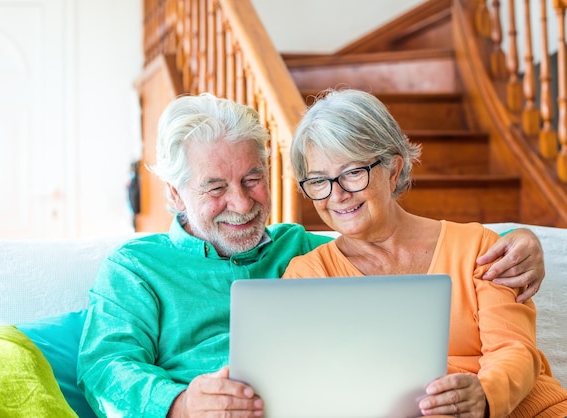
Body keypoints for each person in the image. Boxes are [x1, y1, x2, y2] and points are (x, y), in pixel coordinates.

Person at [77, 93, 547, 418]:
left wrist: (524, 239)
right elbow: (102, 368)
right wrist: (179, 405)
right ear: (175, 196)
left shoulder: (297, 247)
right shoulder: (135, 268)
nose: (241, 204)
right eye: (215, 187)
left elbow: (381, 242)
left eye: (252, 179)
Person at [282, 88, 567, 418]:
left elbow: (514, 349)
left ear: (393, 169)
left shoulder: (479, 248)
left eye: (353, 173)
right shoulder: (307, 277)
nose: (338, 194)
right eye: (318, 181)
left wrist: (484, 396)